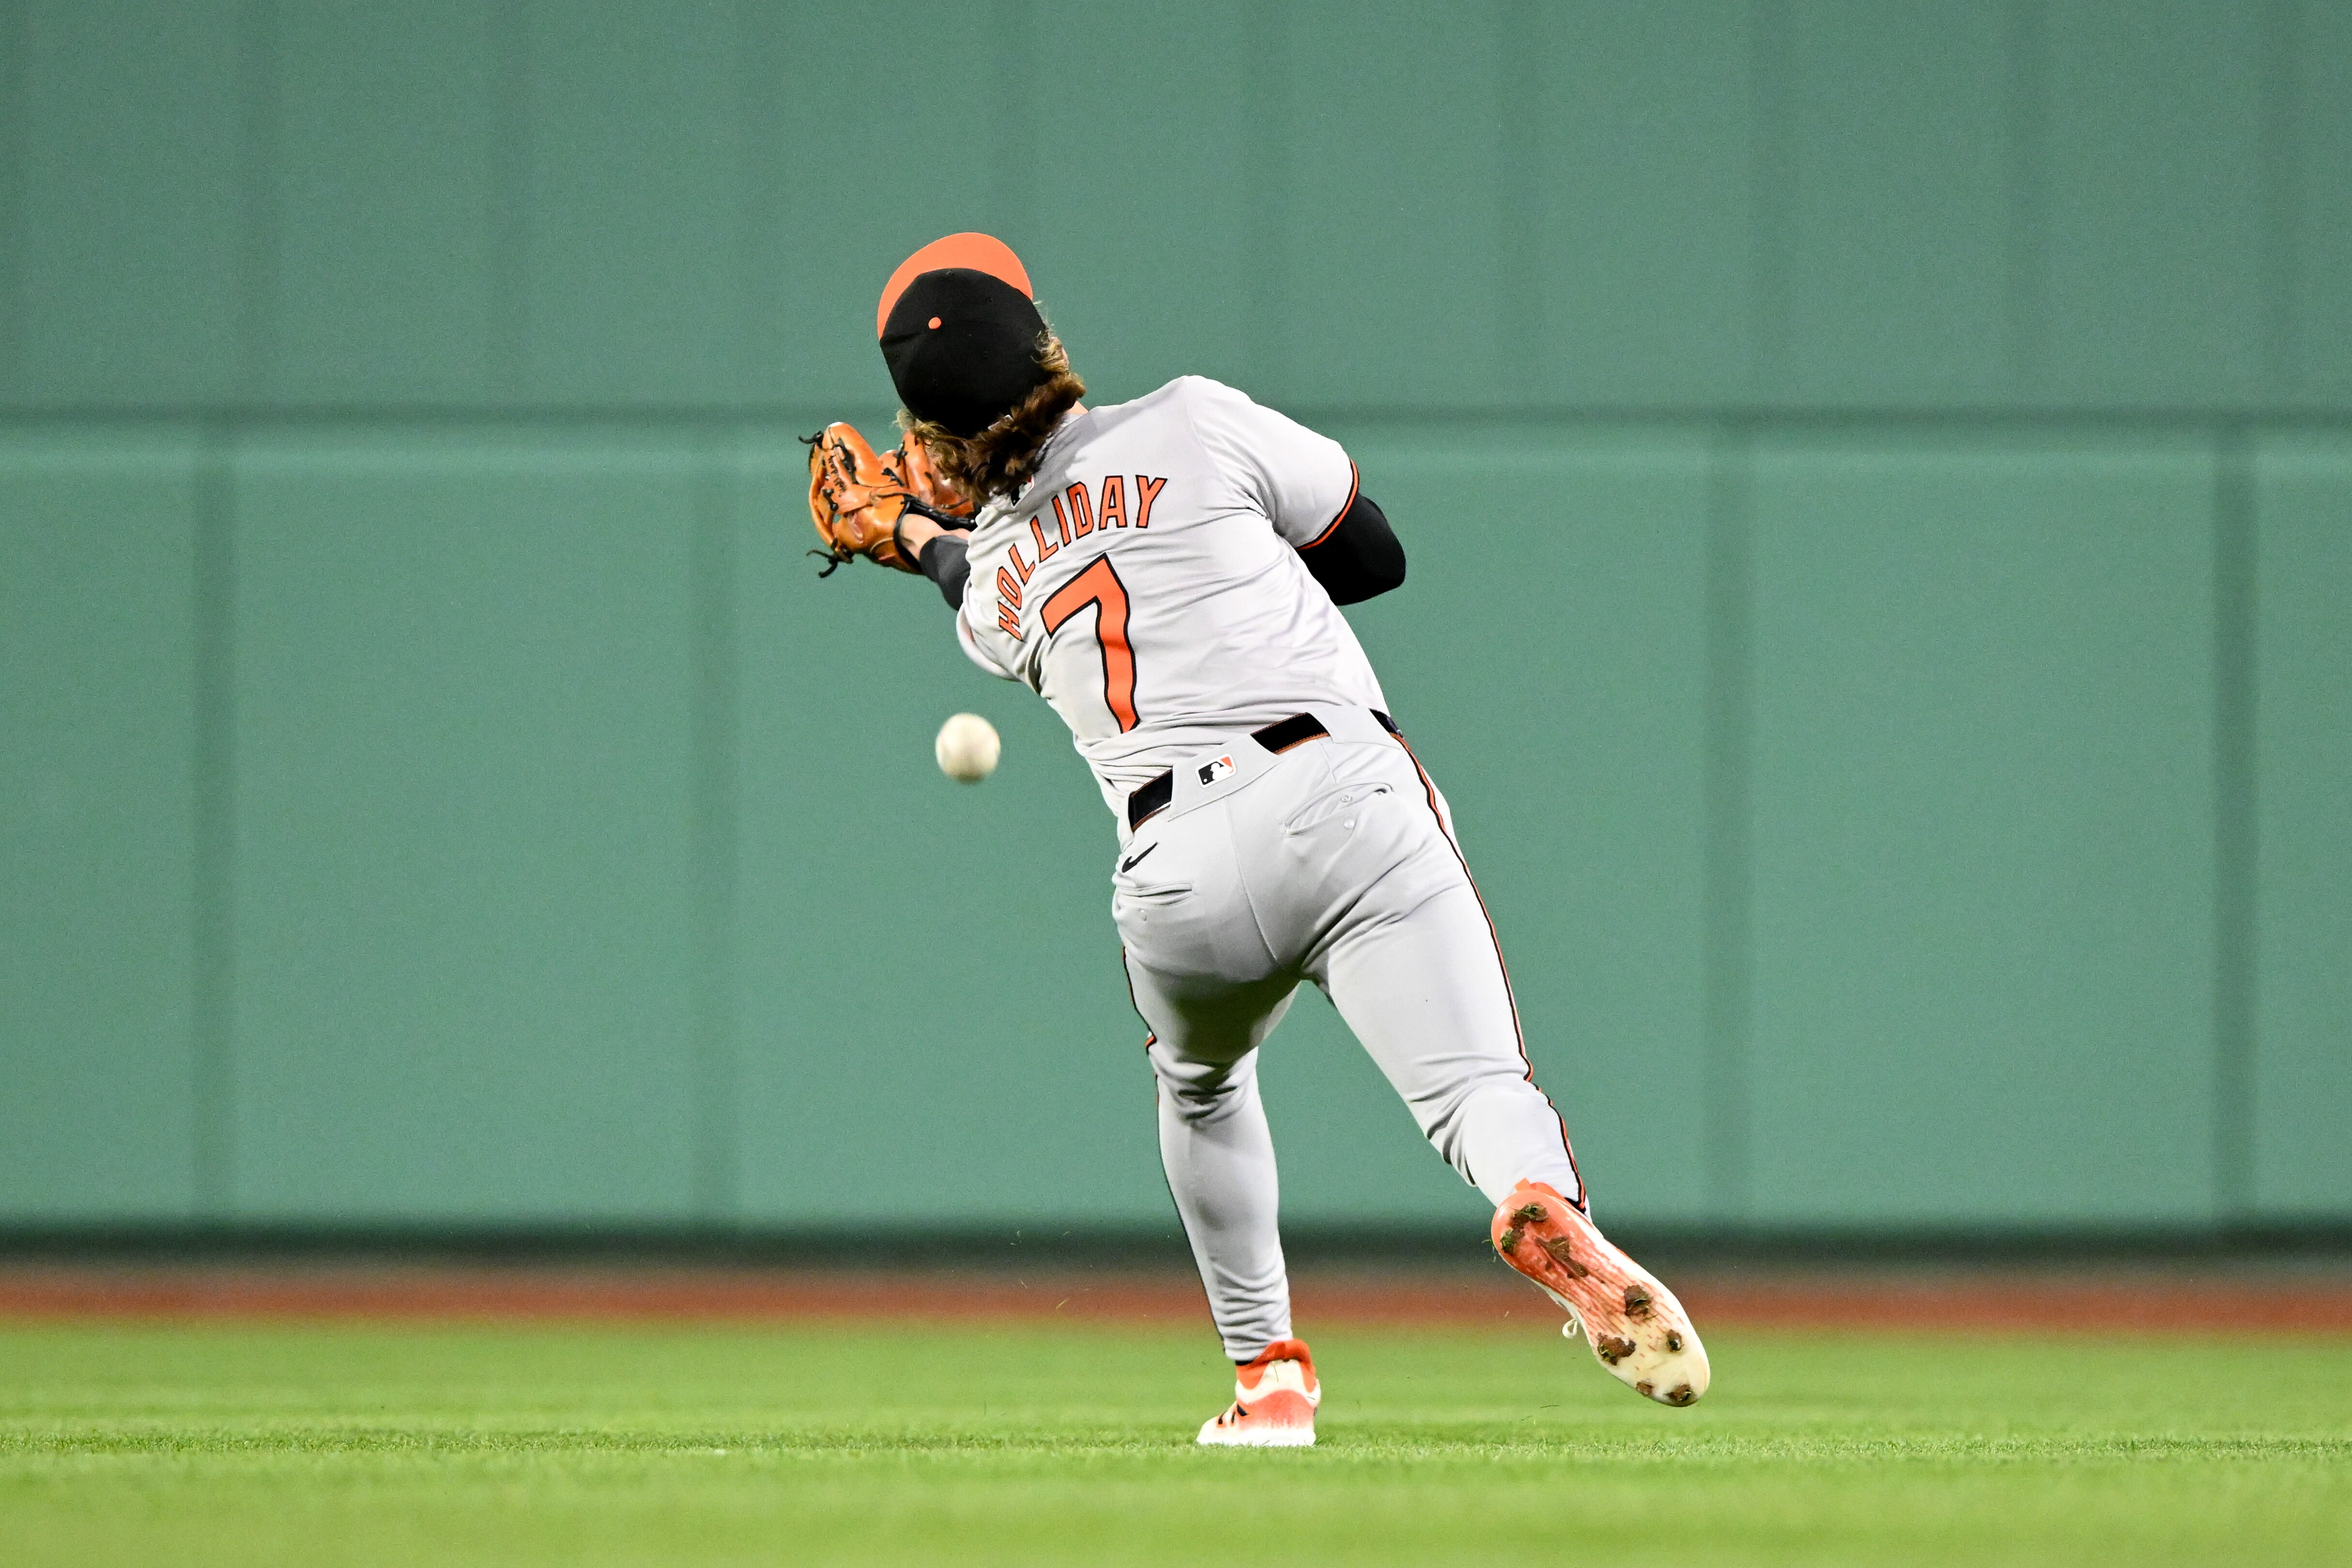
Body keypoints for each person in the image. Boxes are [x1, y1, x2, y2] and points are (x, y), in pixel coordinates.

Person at [813, 232, 1710, 1446]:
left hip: (1174, 875)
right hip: (1336, 794)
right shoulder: (1190, 420)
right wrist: (1217, 560)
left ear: (931, 445)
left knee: (1199, 1085)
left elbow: (965, 566)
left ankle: (1268, 1378)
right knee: (1475, 1092)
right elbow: (1372, 555)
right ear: (1045, 342)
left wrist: (908, 534)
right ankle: (1535, 1197)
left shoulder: (996, 587)